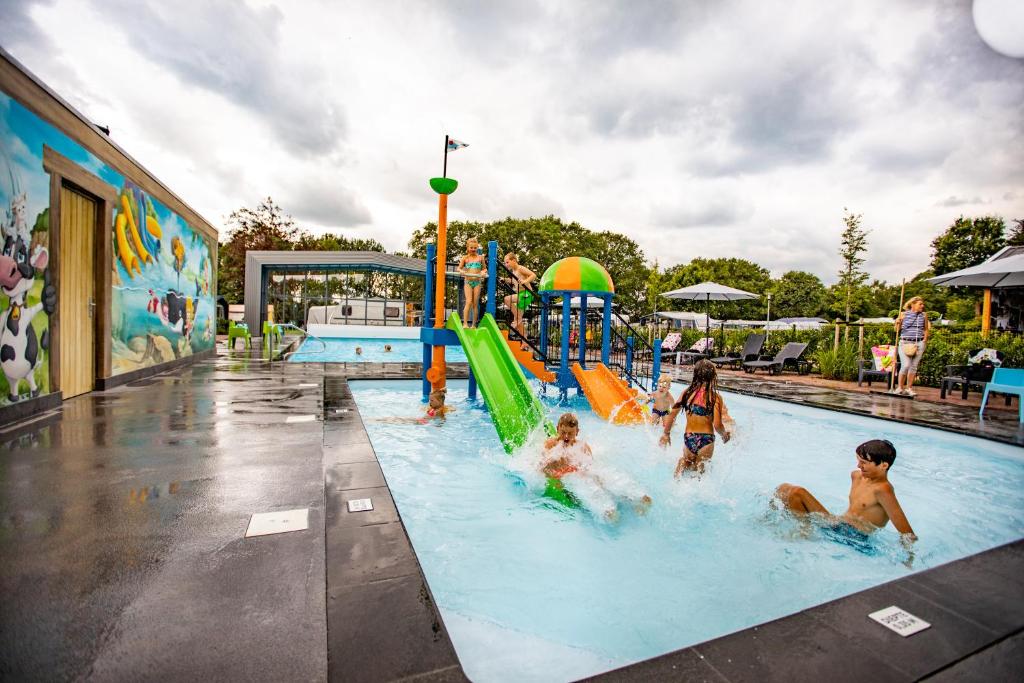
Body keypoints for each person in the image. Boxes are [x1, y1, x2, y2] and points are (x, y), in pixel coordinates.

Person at [775, 439, 917, 547]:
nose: (858, 466)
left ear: (883, 465)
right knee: (784, 489)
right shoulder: (856, 476)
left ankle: (804, 535)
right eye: (858, 460)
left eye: (864, 463)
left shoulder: (883, 490)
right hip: (837, 524)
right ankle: (799, 529)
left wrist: (908, 561)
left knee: (798, 492)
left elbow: (908, 534)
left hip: (855, 538)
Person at [543, 413, 651, 520]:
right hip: (569, 475)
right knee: (584, 484)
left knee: (604, 475)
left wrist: (598, 479)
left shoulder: (583, 446)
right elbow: (543, 467)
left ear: (577, 432)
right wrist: (554, 472)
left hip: (582, 471)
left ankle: (636, 497)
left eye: (570, 433)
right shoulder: (551, 444)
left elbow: (591, 466)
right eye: (563, 432)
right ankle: (607, 511)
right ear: (557, 429)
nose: (566, 437)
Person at [660, 360, 733, 476]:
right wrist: (724, 435)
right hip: (706, 440)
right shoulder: (715, 397)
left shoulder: (687, 393)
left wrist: (666, 433)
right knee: (700, 470)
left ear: (695, 375)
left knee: (687, 461)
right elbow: (717, 424)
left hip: (689, 437)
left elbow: (673, 413)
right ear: (713, 377)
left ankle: (681, 468)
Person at [894, 296, 930, 397]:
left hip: (919, 343)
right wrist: (897, 323)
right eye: (920, 304)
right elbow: (896, 330)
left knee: (913, 367)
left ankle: (909, 388)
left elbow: (926, 329)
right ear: (913, 305)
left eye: (923, 304)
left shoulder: (924, 315)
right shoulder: (903, 314)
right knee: (905, 365)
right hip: (905, 343)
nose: (922, 306)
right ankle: (900, 387)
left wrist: (924, 340)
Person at [502, 253, 536, 343]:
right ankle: (525, 342)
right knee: (518, 323)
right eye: (505, 263)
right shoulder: (513, 271)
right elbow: (514, 281)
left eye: (507, 262)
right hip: (521, 295)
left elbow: (533, 275)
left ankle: (518, 318)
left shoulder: (520, 268)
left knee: (507, 299)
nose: (506, 264)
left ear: (514, 260)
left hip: (526, 294)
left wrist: (525, 281)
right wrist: (505, 280)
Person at [457, 237, 487, 328]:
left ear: (477, 247)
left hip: (477, 282)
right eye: (471, 247)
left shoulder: (480, 258)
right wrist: (461, 271)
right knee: (468, 301)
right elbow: (459, 268)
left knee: (475, 303)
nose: (473, 249)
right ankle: (465, 323)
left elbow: (485, 268)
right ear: (468, 248)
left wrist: (483, 272)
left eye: (475, 248)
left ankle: (474, 324)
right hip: (468, 282)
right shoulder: (465, 258)